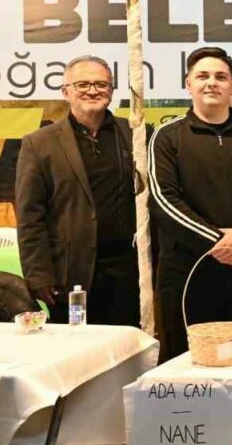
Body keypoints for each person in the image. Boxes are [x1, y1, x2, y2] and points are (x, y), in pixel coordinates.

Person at [150, 47, 232, 360]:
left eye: (221, 76)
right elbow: (163, 200)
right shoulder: (167, 136)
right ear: (189, 84)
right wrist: (217, 241)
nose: (211, 82)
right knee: (188, 366)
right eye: (203, 76)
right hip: (188, 276)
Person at [15, 55, 139, 325]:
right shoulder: (39, 143)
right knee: (74, 345)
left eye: (101, 84)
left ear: (111, 91)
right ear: (66, 92)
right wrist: (38, 275)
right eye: (82, 84)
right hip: (69, 273)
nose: (92, 91)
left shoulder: (135, 134)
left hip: (128, 271)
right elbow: (29, 215)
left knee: (128, 344)